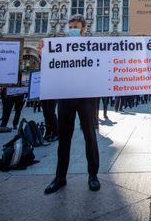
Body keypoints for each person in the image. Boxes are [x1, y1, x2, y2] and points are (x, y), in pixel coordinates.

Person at [44, 15, 100, 194]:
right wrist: (42, 51)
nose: (72, 30)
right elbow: (50, 62)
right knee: (64, 137)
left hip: (86, 96)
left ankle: (93, 175)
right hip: (66, 95)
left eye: (76, 27)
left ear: (83, 28)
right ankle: (60, 177)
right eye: (70, 27)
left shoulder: (92, 44)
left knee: (90, 136)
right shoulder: (60, 46)